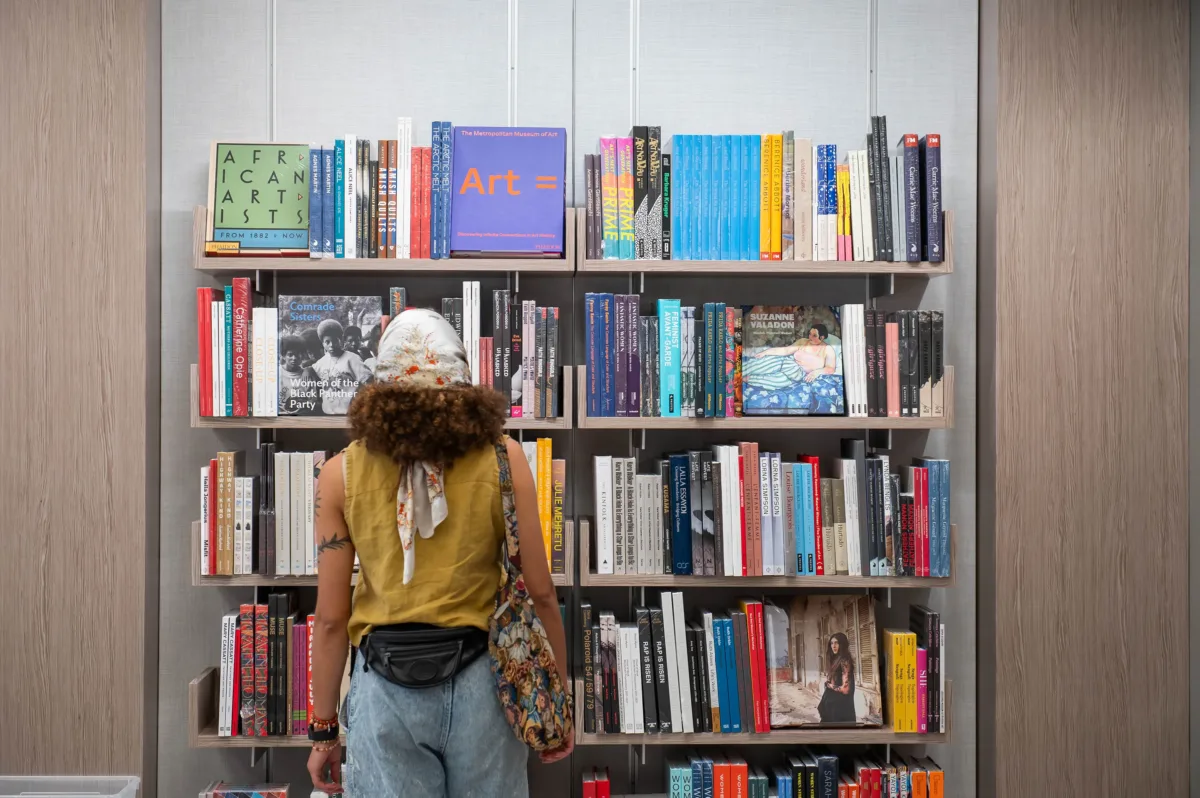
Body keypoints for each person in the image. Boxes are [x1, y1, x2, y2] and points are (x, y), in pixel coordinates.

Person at [306, 309, 572, 797]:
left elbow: (329, 619)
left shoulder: (338, 475)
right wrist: (559, 696)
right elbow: (541, 591)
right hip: (483, 686)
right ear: (463, 383)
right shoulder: (504, 457)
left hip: (384, 690)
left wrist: (324, 730)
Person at [310, 318, 373, 414]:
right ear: (322, 343)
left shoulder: (352, 358)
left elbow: (369, 381)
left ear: (342, 340)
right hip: (327, 414)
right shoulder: (320, 363)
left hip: (349, 414)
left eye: (335, 341)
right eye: (327, 342)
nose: (331, 345)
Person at [816, 632, 856, 724]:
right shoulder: (836, 660)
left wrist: (829, 685)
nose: (833, 646)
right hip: (833, 705)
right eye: (832, 643)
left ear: (842, 644)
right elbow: (835, 680)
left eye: (836, 643)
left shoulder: (845, 661)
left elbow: (846, 689)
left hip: (840, 707)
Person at [278, 334, 320, 415]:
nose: (294, 358)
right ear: (283, 356)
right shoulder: (276, 374)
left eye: (298, 354)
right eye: (290, 355)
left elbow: (313, 401)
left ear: (303, 355)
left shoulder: (308, 375)